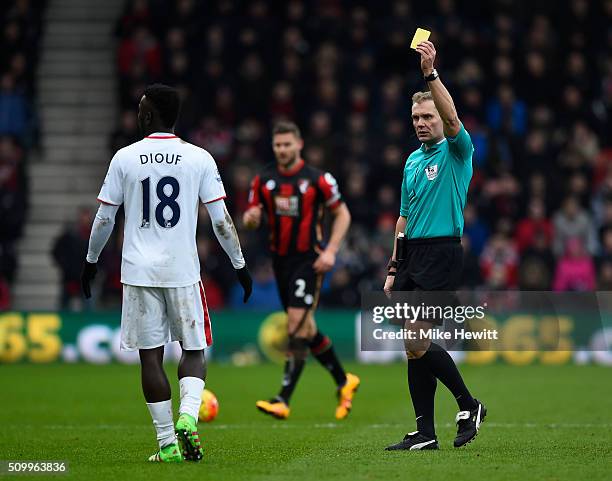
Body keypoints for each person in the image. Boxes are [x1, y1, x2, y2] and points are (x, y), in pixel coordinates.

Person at [80, 84, 253, 463]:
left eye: (141, 108)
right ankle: (188, 418)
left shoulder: (124, 158)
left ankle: (166, 444)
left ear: (147, 115)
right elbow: (221, 220)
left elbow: (105, 217)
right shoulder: (199, 158)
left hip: (138, 271)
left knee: (150, 358)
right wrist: (239, 264)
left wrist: (91, 260)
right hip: (183, 270)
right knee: (193, 350)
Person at [383, 41, 486, 451]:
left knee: (417, 337)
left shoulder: (459, 152)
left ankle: (468, 403)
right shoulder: (410, 160)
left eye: (427, 116)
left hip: (442, 252)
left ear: (440, 119)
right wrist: (393, 267)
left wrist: (431, 74)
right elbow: (403, 217)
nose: (421, 123)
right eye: (416, 117)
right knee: (412, 347)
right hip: (412, 256)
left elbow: (454, 117)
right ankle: (425, 432)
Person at [243, 120, 359, 420]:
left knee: (295, 324)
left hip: (310, 260)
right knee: (306, 328)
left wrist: (332, 251)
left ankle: (283, 398)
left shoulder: (318, 180)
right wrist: (252, 218)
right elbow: (251, 218)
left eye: (287, 144)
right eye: (277, 145)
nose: (282, 150)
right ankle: (344, 381)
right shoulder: (263, 181)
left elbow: (342, 213)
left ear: (299, 145)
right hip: (280, 262)